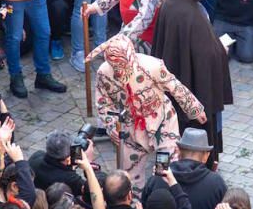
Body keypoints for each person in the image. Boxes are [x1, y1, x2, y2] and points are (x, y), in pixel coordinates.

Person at [88, 34, 207, 189]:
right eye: (115, 68)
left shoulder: (152, 66)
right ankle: (136, 205)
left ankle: (165, 201)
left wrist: (194, 108)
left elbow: (175, 86)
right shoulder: (104, 73)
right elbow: (103, 103)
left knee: (165, 168)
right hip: (130, 127)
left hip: (161, 123)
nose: (119, 72)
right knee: (130, 175)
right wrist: (111, 126)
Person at [152, 0, 233, 162]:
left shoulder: (173, 2)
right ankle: (198, 160)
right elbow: (207, 54)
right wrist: (220, 50)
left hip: (176, 75)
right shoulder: (190, 12)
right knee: (196, 123)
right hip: (194, 85)